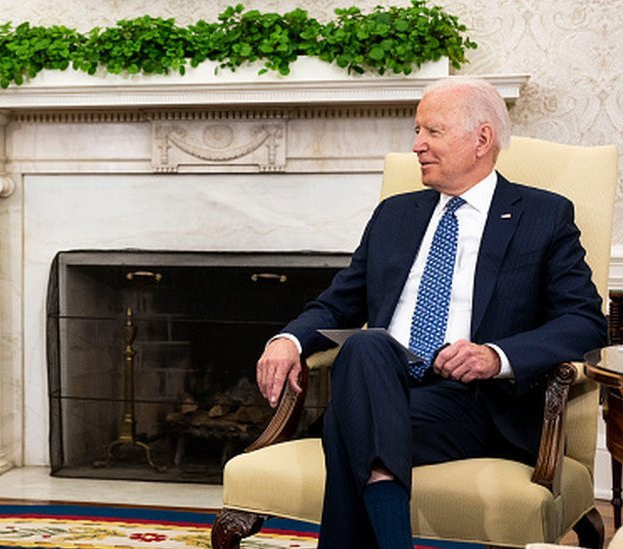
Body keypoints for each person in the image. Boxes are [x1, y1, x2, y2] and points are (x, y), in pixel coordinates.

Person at [255, 78, 606, 549]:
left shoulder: (542, 215)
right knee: (366, 346)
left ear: (481, 140)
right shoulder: (395, 214)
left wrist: (495, 355)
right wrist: (289, 341)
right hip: (387, 381)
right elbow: (339, 301)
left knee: (348, 422)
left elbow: (584, 320)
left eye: (432, 132)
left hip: (475, 403)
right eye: (417, 130)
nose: (416, 145)